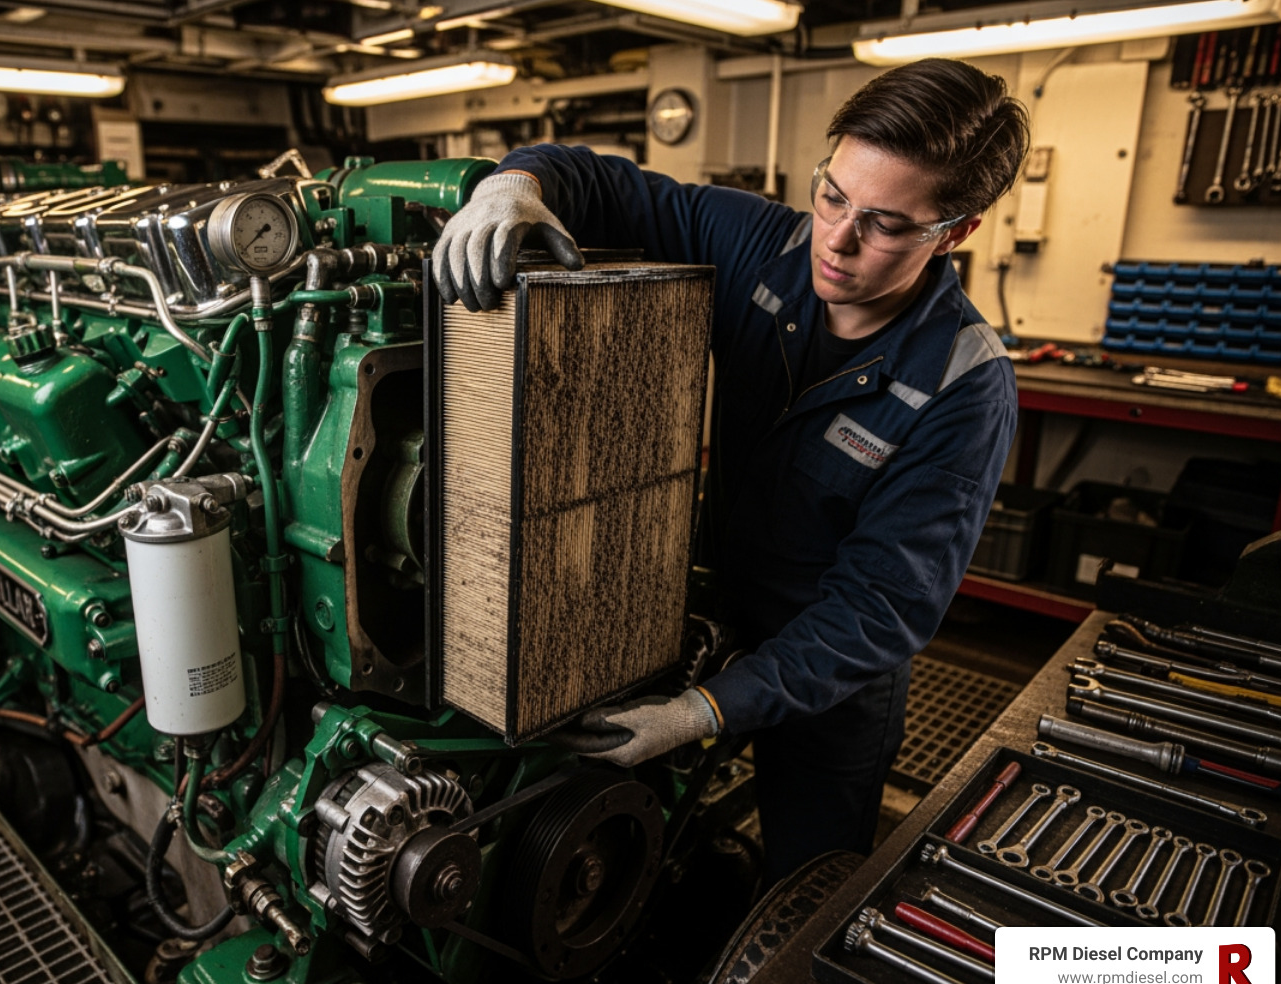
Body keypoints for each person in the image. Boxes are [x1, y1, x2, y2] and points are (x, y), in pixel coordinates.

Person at [432, 58, 1030, 884]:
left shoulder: (963, 386)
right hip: (710, 609)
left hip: (830, 676)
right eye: (832, 196)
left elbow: (880, 610)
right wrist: (511, 187)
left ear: (953, 231)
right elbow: (594, 178)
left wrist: (698, 713)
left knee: (810, 880)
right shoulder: (763, 246)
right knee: (654, 832)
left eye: (885, 224)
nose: (838, 238)